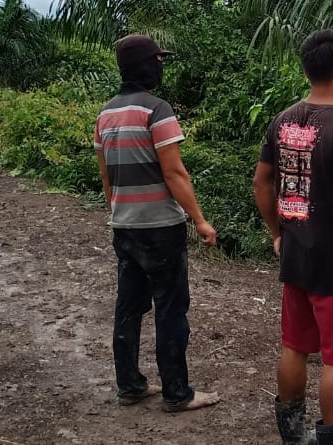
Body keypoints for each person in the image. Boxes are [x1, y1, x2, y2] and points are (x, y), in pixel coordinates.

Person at [253, 29, 333, 445]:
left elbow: (262, 182)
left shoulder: (282, 120)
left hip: (296, 256)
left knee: (294, 346)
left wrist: (278, 233)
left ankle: (292, 435)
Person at [94, 33, 218, 412]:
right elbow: (175, 173)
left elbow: (106, 177)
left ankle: (130, 386)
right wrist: (200, 220)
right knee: (170, 308)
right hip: (161, 228)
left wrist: (118, 214)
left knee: (129, 306)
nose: (161, 67)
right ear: (147, 66)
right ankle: (177, 394)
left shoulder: (106, 114)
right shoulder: (157, 110)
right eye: (158, 61)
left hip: (124, 225)